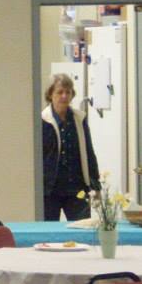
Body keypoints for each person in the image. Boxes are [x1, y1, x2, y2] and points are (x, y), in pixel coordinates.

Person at [41, 73, 100, 221]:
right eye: (59, 92)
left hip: (76, 187)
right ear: (50, 94)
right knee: (48, 231)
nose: (64, 96)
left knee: (82, 228)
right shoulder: (42, 119)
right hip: (49, 189)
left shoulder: (79, 119)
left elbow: (88, 152)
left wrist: (95, 184)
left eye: (68, 92)